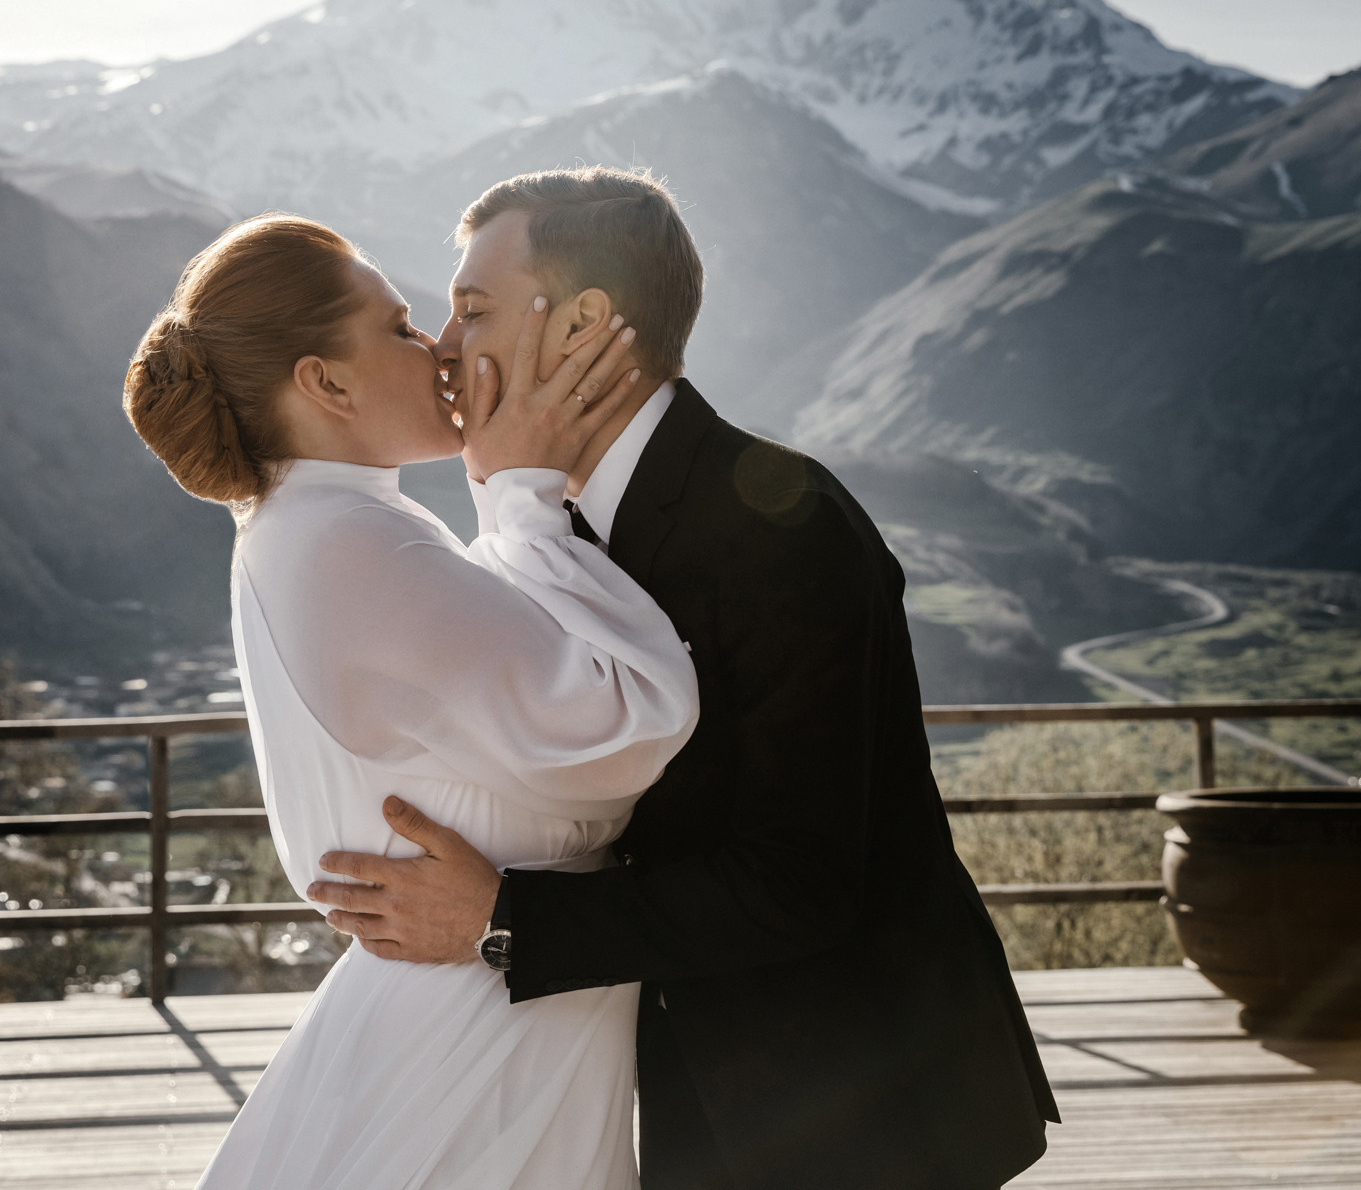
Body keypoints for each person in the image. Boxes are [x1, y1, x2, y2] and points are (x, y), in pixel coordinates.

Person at [307, 169, 1058, 1190]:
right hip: (704, 1090)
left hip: (860, 1107)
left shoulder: (781, 525)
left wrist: (501, 916)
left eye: (473, 310)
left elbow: (803, 880)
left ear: (582, 324)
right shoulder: (556, 531)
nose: (445, 346)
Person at [123, 213, 700, 1190]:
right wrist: (520, 490)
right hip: (472, 1042)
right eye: (397, 327)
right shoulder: (352, 541)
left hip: (480, 1016)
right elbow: (627, 724)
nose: (436, 347)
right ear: (326, 383)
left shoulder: (327, 522)